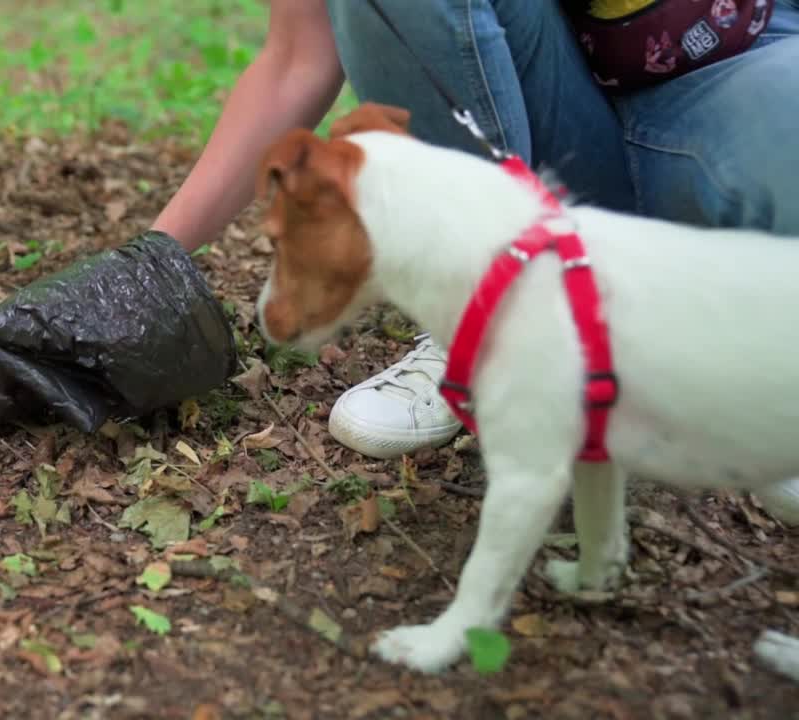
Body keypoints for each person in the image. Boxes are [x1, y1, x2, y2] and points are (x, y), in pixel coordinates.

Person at [149, 0, 799, 523]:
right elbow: (298, 56)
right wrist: (152, 258)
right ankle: (483, 319)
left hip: (733, 68)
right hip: (552, 105)